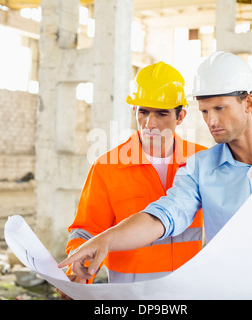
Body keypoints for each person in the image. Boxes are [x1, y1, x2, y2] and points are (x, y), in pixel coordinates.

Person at [59, 51, 252, 300]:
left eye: (220, 109)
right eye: (205, 111)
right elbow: (166, 214)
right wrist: (104, 241)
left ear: (248, 103)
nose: (211, 121)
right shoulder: (199, 167)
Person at [59, 61, 207, 298]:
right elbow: (86, 231)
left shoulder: (202, 161)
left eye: (161, 113)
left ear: (180, 116)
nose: (150, 123)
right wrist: (79, 272)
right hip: (131, 293)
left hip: (188, 291)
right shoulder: (108, 167)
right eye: (143, 111)